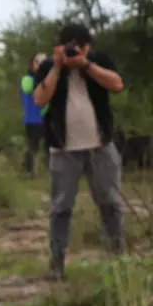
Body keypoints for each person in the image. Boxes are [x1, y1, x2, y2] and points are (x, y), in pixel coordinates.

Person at [32, 23, 127, 280]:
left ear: (88, 47)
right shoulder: (49, 66)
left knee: (111, 203)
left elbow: (117, 85)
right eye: (69, 46)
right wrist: (58, 66)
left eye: (80, 46)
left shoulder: (98, 61)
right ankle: (57, 263)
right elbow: (40, 99)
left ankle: (118, 258)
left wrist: (85, 65)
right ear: (59, 47)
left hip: (101, 145)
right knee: (60, 207)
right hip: (64, 149)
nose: (75, 51)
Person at [21, 53, 49, 176]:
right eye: (38, 61)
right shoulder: (27, 79)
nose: (41, 64)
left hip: (48, 118)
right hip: (33, 119)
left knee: (50, 147)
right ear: (32, 65)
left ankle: (50, 171)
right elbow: (28, 89)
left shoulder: (51, 79)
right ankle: (28, 171)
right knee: (33, 146)